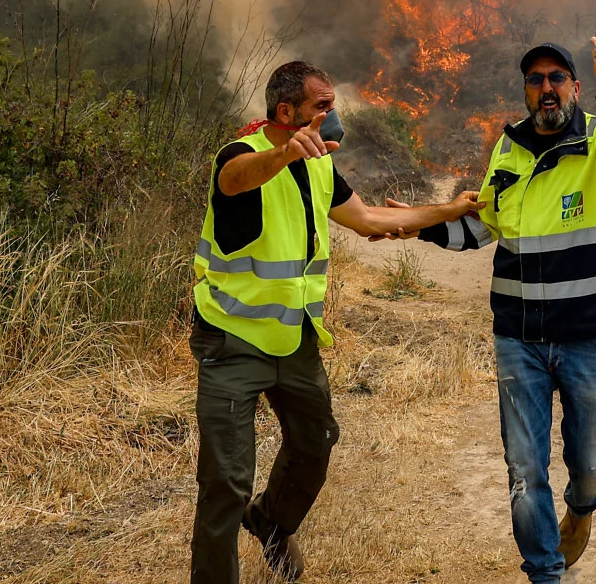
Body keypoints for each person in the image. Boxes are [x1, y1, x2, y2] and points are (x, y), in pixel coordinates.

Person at [191, 59, 480, 584]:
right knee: (226, 482)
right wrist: (282, 153)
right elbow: (235, 180)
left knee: (316, 442)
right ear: (287, 112)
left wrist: (448, 210)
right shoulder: (240, 154)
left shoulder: (322, 163)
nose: (333, 116)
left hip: (295, 340)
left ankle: (271, 522)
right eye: (322, 107)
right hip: (231, 341)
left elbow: (369, 219)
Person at [416, 29, 596, 584]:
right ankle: (545, 573)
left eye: (556, 79)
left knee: (591, 465)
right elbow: (482, 227)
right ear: (525, 90)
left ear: (573, 86)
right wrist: (417, 223)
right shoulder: (508, 148)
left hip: (589, 335)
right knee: (524, 470)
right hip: (519, 338)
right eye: (535, 80)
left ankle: (582, 510)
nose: (546, 89)